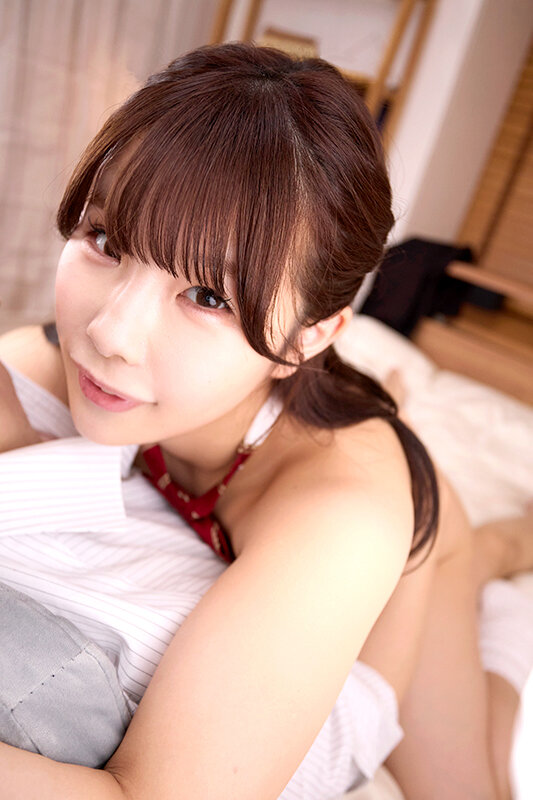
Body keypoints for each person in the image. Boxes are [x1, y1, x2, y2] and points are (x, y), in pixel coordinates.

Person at [0, 42, 532, 800]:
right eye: (107, 241)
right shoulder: (51, 358)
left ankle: (495, 549)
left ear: (310, 336)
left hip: (412, 537)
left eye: (207, 297)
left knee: (465, 788)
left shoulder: (343, 512)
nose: (110, 333)